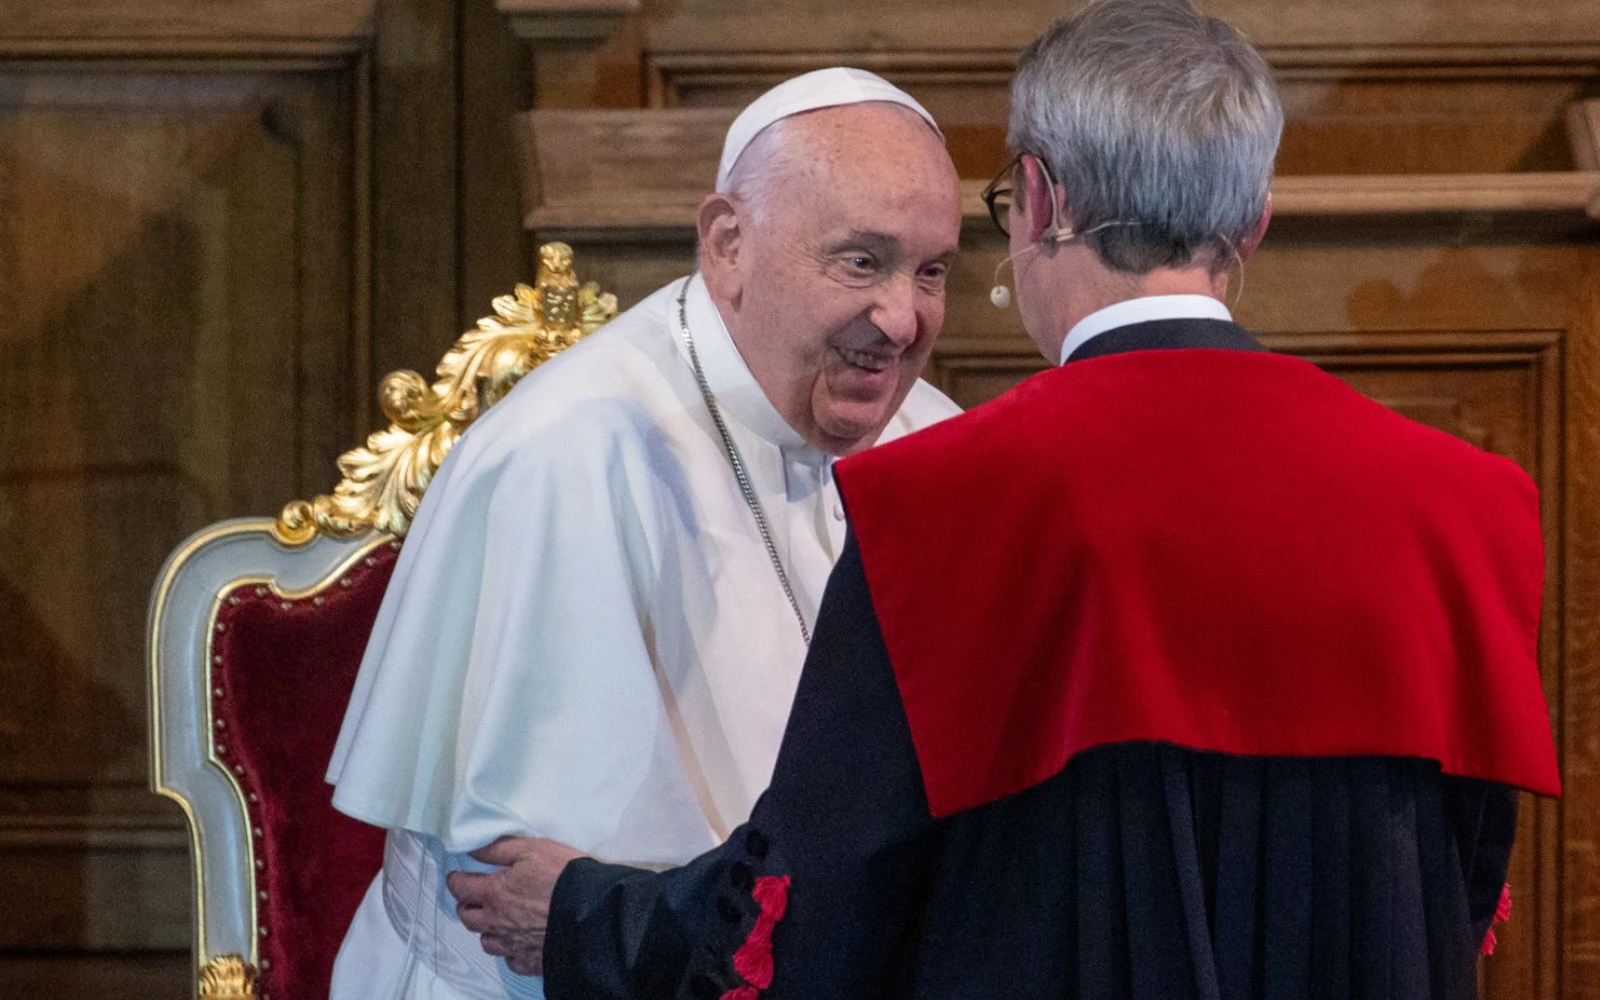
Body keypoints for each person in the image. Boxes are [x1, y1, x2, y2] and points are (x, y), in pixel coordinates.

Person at [445, 2, 1561, 998]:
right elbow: (1456, 901)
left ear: (1036, 199)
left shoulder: (944, 502)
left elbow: (806, 926)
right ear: (1254, 222)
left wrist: (592, 917)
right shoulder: (1467, 505)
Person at [323, 67, 964, 1000]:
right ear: (728, 244)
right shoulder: (568, 460)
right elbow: (531, 908)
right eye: (861, 262)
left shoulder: (936, 446)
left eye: (933, 270)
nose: (903, 320)